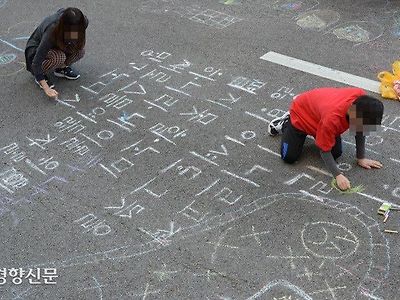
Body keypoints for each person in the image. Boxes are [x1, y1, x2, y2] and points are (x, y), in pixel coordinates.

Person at [268, 87, 384, 191]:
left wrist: (361, 158)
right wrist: (338, 175)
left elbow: (360, 129)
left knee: (336, 153)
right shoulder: (332, 119)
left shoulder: (360, 100)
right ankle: (287, 122)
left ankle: (320, 131)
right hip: (301, 114)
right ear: (354, 114)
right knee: (289, 157)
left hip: (319, 115)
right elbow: (324, 150)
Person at [25, 7, 88, 99]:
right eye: (74, 30)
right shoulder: (52, 30)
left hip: (58, 42)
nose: (77, 32)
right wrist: (47, 89)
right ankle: (40, 76)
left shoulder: (83, 22)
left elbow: (78, 41)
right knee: (58, 57)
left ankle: (60, 69)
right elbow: (36, 62)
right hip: (36, 50)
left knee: (80, 51)